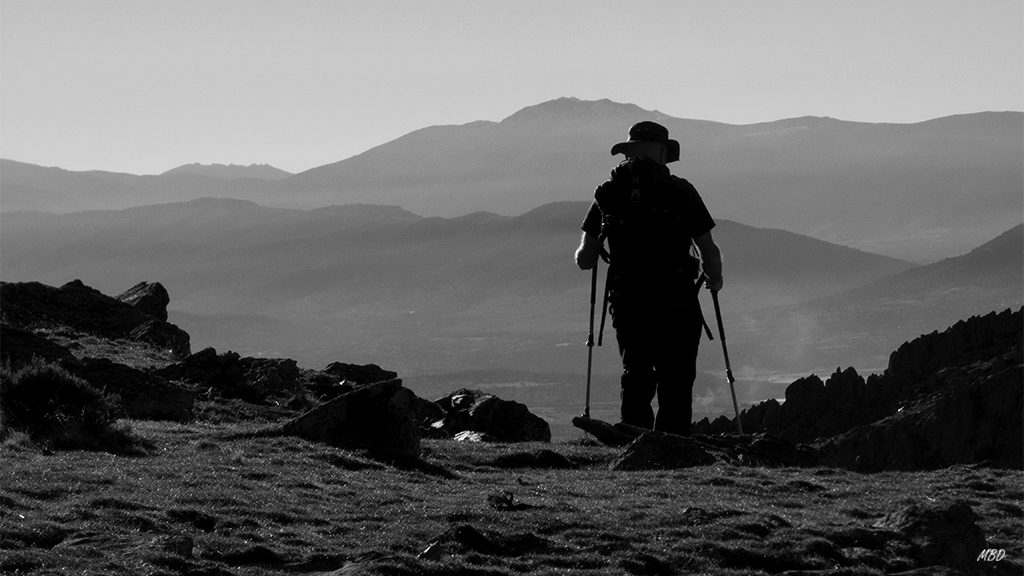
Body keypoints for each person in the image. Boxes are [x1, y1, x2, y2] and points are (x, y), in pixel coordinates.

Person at [574, 120, 723, 436]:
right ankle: (673, 447)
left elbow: (584, 260)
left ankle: (632, 441)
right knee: (677, 378)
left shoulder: (608, 193)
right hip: (678, 301)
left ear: (627, 152)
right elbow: (709, 250)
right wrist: (715, 279)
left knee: (637, 373)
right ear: (663, 151)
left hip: (628, 301)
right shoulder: (681, 191)